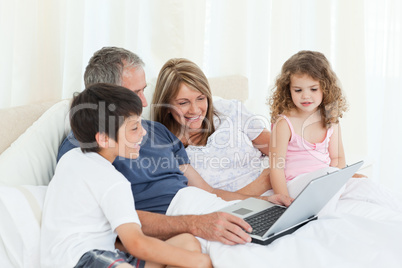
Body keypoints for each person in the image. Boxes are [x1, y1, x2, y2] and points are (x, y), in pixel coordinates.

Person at [57, 47, 293, 246]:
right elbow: (108, 218)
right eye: (134, 93)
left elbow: (208, 193)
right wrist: (195, 224)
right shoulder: (84, 147)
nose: (145, 102)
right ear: (102, 94)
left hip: (209, 210)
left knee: (293, 234)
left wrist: (260, 202)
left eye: (143, 90)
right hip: (186, 225)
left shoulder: (157, 131)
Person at [41, 83, 212, 268]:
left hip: (98, 254)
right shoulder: (112, 181)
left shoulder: (71, 159)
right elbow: (136, 243)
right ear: (104, 139)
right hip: (84, 260)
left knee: (187, 242)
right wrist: (201, 261)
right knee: (196, 260)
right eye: (134, 128)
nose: (143, 132)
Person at [151, 58, 272, 195]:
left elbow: (277, 149)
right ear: (166, 106)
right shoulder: (166, 148)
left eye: (201, 98)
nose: (195, 110)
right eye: (183, 103)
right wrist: (263, 184)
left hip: (278, 185)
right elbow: (210, 200)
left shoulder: (227, 110)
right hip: (238, 207)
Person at [267, 50, 348, 197]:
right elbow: (276, 168)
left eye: (313, 89)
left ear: (326, 88)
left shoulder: (330, 119)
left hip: (325, 179)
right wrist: (283, 199)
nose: (305, 96)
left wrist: (336, 182)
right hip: (295, 184)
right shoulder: (284, 123)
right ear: (288, 90)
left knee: (365, 185)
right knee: (328, 175)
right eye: (298, 90)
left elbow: (338, 158)